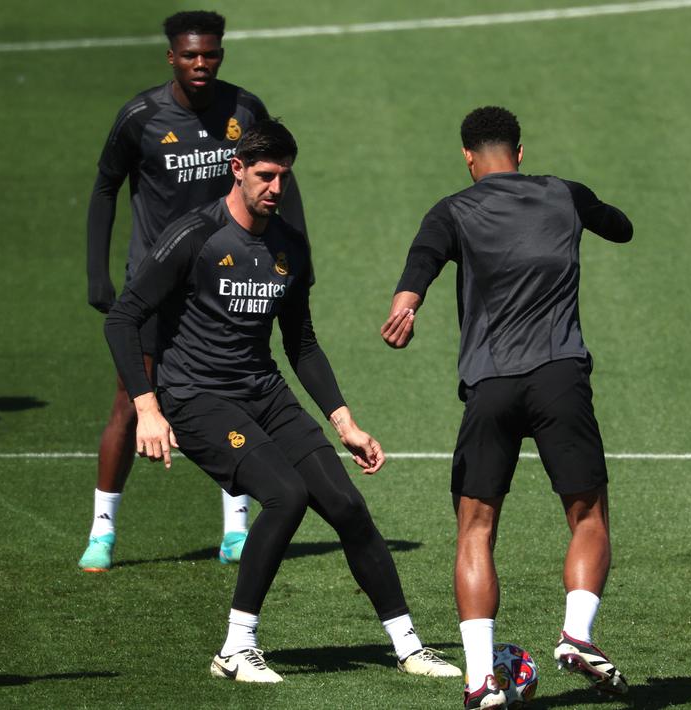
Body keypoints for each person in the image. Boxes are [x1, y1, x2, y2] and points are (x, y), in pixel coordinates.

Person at [106, 119, 461, 682]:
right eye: (265, 176)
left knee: (346, 506)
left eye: (284, 178)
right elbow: (125, 318)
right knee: (286, 496)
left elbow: (301, 343)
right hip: (197, 397)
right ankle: (236, 648)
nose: (275, 187)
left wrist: (345, 423)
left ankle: (409, 645)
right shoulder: (194, 235)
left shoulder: (289, 245)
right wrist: (148, 408)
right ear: (237, 170)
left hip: (264, 392)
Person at [381, 106, 632, 708]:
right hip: (559, 379)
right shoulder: (565, 195)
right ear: (519, 151)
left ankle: (478, 684)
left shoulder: (452, 210)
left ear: (468, 157)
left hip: (489, 386)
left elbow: (423, 259)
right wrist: (589, 211)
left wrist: (405, 303)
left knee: (475, 531)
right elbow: (621, 228)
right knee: (587, 515)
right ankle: (576, 633)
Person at [81, 10, 303, 572]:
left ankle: (235, 529)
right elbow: (105, 186)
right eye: (190, 55)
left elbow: (279, 179)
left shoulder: (245, 109)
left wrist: (295, 254)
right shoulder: (141, 116)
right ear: (171, 57)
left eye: (211, 54)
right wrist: (97, 272)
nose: (201, 64)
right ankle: (102, 531)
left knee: (232, 393)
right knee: (129, 405)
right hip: (156, 282)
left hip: (226, 280)